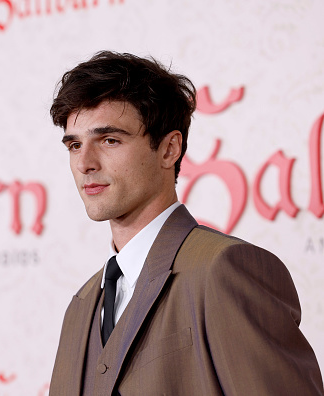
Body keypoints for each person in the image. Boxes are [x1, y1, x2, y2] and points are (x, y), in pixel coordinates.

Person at [48, 51, 324, 395]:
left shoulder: (224, 270)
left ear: (169, 149)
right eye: (74, 145)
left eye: (109, 140)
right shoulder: (81, 305)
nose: (85, 163)